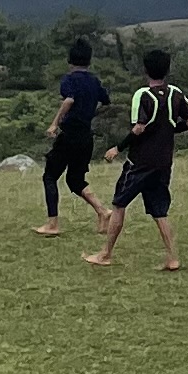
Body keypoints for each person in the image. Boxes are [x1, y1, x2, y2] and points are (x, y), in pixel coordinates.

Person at [84, 48, 188, 271]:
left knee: (119, 204)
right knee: (159, 210)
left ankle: (105, 254)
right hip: (163, 163)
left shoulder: (143, 95)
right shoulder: (176, 94)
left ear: (145, 70)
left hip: (140, 163)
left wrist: (118, 148)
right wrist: (169, 130)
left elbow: (139, 128)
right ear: (167, 70)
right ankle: (172, 257)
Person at [39, 36, 113, 238]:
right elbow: (106, 102)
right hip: (85, 138)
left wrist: (55, 123)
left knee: (50, 176)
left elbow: (69, 100)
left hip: (69, 135)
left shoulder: (69, 80)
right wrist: (89, 113)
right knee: (75, 180)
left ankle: (52, 223)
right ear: (89, 61)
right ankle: (103, 211)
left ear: (70, 61)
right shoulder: (94, 81)